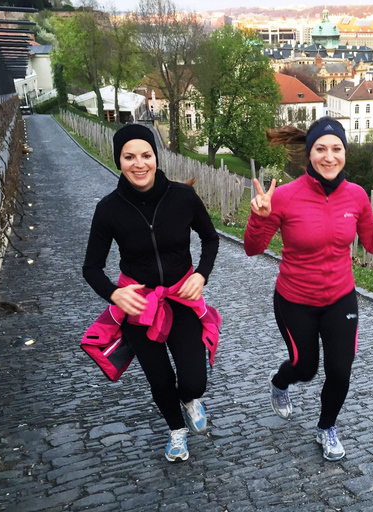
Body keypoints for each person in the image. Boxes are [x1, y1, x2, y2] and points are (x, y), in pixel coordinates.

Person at [243, 117, 373, 461]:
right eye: (321, 149)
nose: (329, 157)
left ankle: (326, 427)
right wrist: (260, 216)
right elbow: (252, 248)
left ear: (345, 153)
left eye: (336, 149)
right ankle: (280, 382)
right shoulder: (286, 197)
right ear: (309, 153)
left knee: (339, 371)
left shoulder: (357, 196)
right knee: (305, 368)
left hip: (340, 298)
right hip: (295, 300)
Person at [83, 124, 219, 463]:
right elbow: (91, 268)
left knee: (194, 381)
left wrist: (201, 274)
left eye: (146, 155)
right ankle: (176, 431)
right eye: (129, 157)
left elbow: (211, 238)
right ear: (119, 161)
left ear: (156, 157)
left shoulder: (182, 197)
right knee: (159, 377)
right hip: (140, 308)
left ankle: (189, 400)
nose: (139, 163)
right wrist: (114, 294)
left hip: (181, 300)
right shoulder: (108, 209)